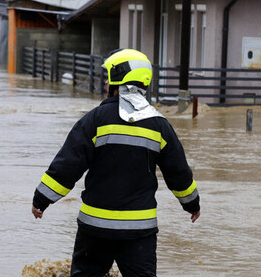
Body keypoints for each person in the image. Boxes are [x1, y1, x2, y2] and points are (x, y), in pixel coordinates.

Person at [32, 48, 200, 277]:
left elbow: (67, 165)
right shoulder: (160, 125)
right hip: (139, 233)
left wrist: (41, 200)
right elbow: (178, 173)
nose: (104, 85)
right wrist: (192, 204)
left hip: (95, 229)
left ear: (116, 81)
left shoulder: (95, 120)